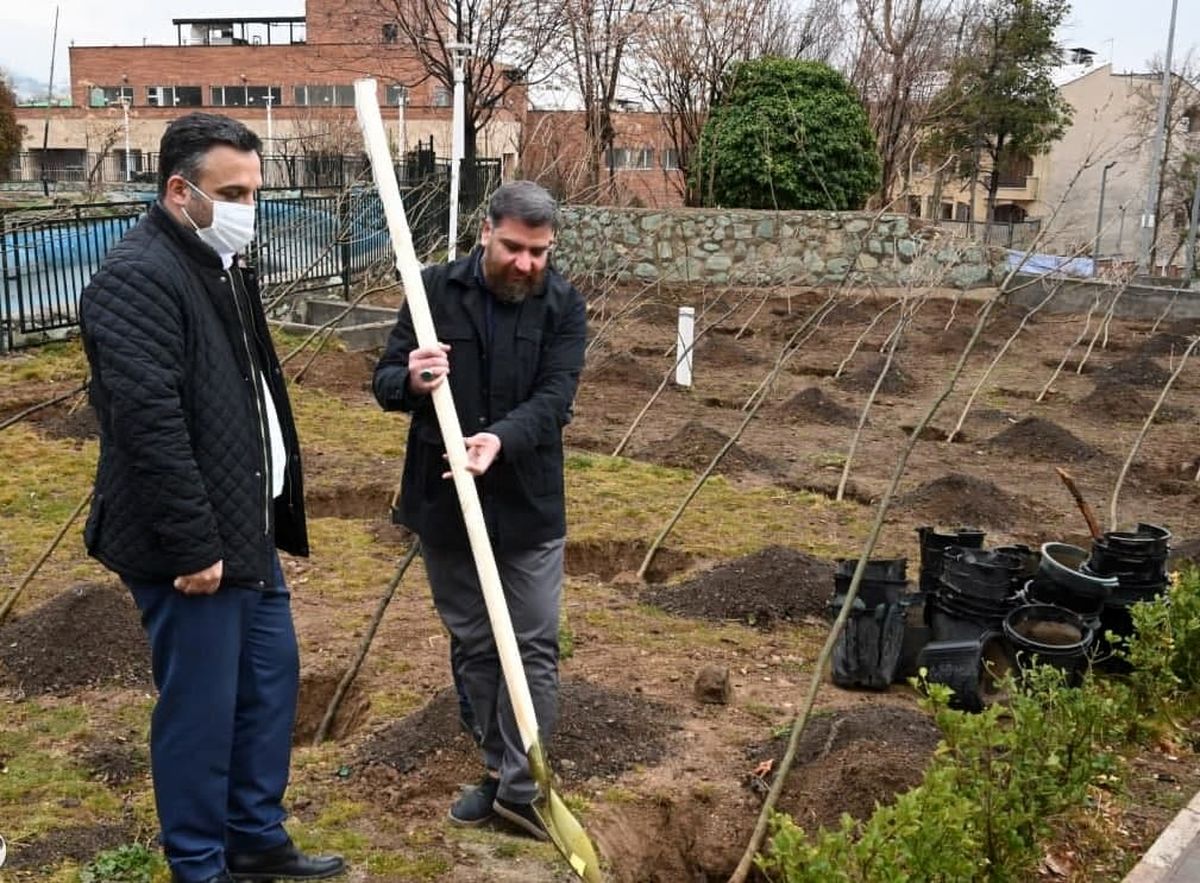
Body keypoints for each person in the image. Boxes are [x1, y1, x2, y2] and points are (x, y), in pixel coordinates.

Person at [79, 113, 344, 883]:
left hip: (245, 525)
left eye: (255, 192)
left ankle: (254, 835)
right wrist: (196, 548)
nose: (247, 208)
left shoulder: (220, 264)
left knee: (268, 683)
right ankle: (199, 862)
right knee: (201, 706)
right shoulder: (138, 278)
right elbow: (149, 424)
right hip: (189, 544)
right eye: (232, 192)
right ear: (178, 190)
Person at [373, 180, 586, 839]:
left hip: (526, 504)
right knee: (474, 644)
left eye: (539, 252)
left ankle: (525, 790)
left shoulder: (562, 304)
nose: (527, 263)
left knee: (532, 642)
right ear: (487, 231)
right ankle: (498, 771)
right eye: (515, 247)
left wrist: (501, 438)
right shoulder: (432, 290)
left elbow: (557, 397)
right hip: (444, 503)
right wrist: (412, 376)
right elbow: (383, 382)